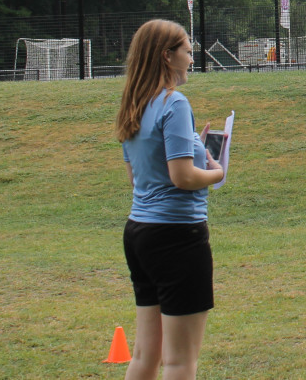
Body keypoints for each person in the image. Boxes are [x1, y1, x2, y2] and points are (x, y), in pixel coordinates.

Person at [115, 20, 225, 380]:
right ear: (168, 56)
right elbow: (183, 178)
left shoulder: (136, 103)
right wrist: (217, 172)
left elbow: (137, 177)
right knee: (179, 361)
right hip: (177, 237)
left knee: (146, 355)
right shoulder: (173, 103)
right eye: (188, 52)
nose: (192, 59)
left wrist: (193, 143)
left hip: (140, 234)